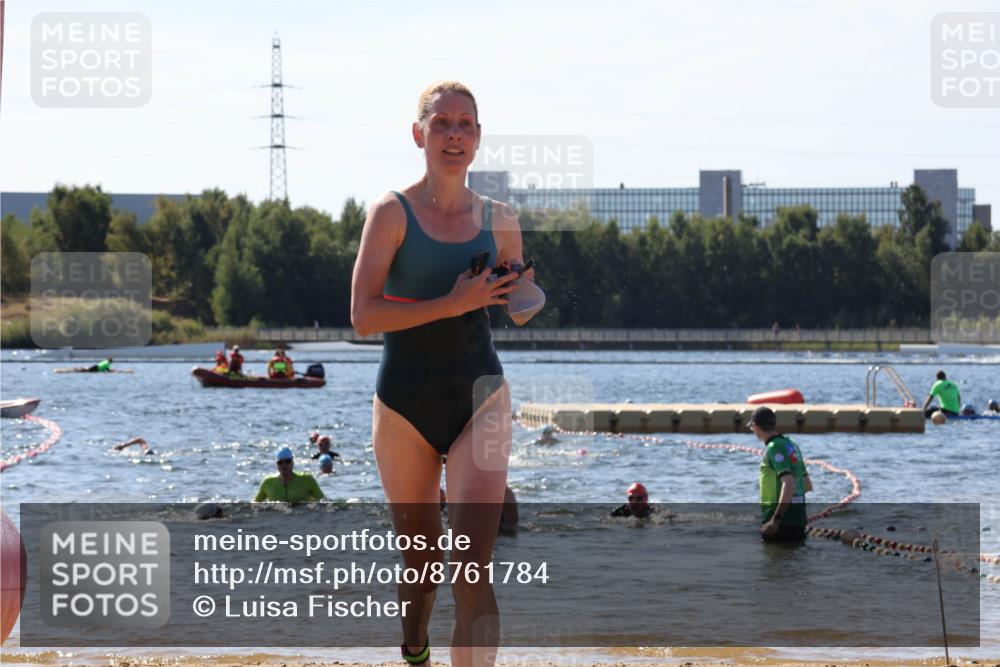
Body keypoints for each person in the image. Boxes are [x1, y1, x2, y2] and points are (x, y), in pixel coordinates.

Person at [351, 81, 540, 667]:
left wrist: (523, 292)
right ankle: (414, 649)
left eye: (466, 124)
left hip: (481, 395)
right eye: (442, 124)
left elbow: (522, 302)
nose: (454, 134)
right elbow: (363, 317)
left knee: (471, 564)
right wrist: (454, 302)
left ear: (479, 139)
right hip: (405, 404)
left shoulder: (501, 217)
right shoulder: (390, 212)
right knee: (422, 566)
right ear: (419, 135)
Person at [748, 407, 812, 543]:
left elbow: (789, 482)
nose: (752, 431)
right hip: (798, 519)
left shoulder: (773, 447)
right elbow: (807, 485)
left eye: (752, 427)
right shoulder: (792, 445)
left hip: (780, 522)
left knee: (773, 561)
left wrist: (775, 519)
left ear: (756, 426)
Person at [254, 447, 324, 503]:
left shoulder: (307, 480)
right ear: (277, 465)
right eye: (280, 462)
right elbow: (254, 505)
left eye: (287, 461)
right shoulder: (268, 482)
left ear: (292, 462)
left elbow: (323, 502)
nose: (284, 465)